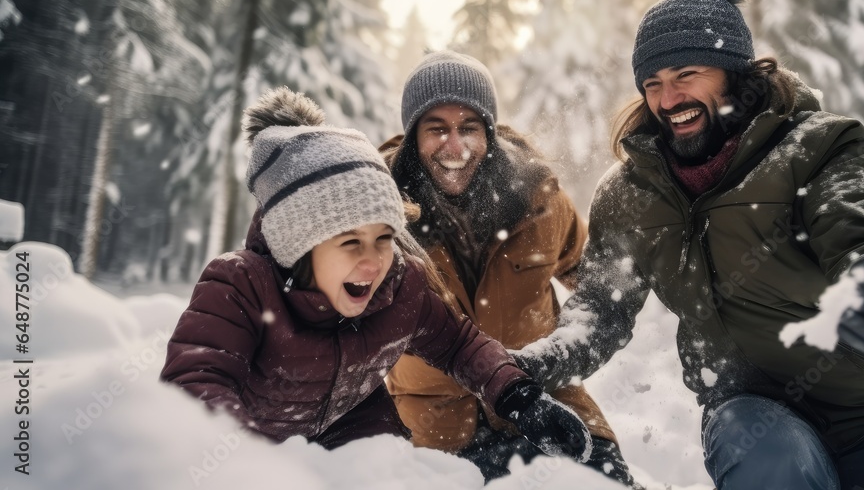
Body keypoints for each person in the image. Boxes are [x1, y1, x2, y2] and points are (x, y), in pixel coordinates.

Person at [512, 0, 864, 490]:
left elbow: (862, 227)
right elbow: (601, 309)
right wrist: (536, 363)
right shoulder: (631, 193)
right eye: (653, 83)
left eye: (688, 74)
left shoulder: (818, 147)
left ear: (734, 71)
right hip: (751, 413)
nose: (668, 98)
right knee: (771, 465)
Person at [161, 87, 592, 464]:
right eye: (350, 243)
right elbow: (196, 385)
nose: (373, 262)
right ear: (300, 243)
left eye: (384, 238)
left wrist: (519, 396)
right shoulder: (241, 287)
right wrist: (248, 462)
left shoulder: (399, 286)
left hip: (357, 444)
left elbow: (459, 344)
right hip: (254, 458)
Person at [381, 51, 636, 486]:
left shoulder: (539, 201)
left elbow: (599, 277)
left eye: (468, 128)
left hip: (548, 400)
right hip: (433, 427)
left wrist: (567, 350)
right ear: (412, 139)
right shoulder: (383, 220)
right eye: (436, 129)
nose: (455, 146)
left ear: (489, 133)